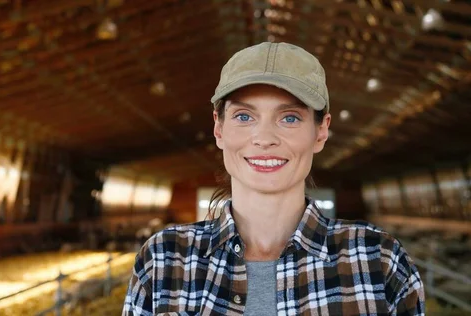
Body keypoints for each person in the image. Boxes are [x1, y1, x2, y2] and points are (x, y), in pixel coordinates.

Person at [123, 42, 425, 315]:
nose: (264, 138)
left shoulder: (379, 260)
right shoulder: (164, 260)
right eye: (244, 116)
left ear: (320, 132)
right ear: (219, 129)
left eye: (289, 118)